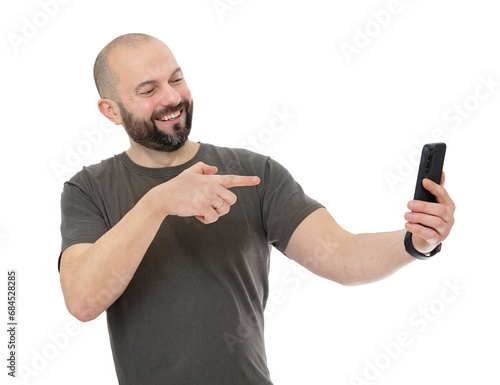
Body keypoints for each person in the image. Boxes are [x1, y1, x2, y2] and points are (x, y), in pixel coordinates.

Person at [58, 33, 455, 385]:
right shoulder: (88, 189)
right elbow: (83, 301)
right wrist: (158, 203)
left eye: (176, 78)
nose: (172, 98)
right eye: (148, 90)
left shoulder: (253, 172)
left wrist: (414, 242)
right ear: (110, 111)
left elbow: (340, 255)